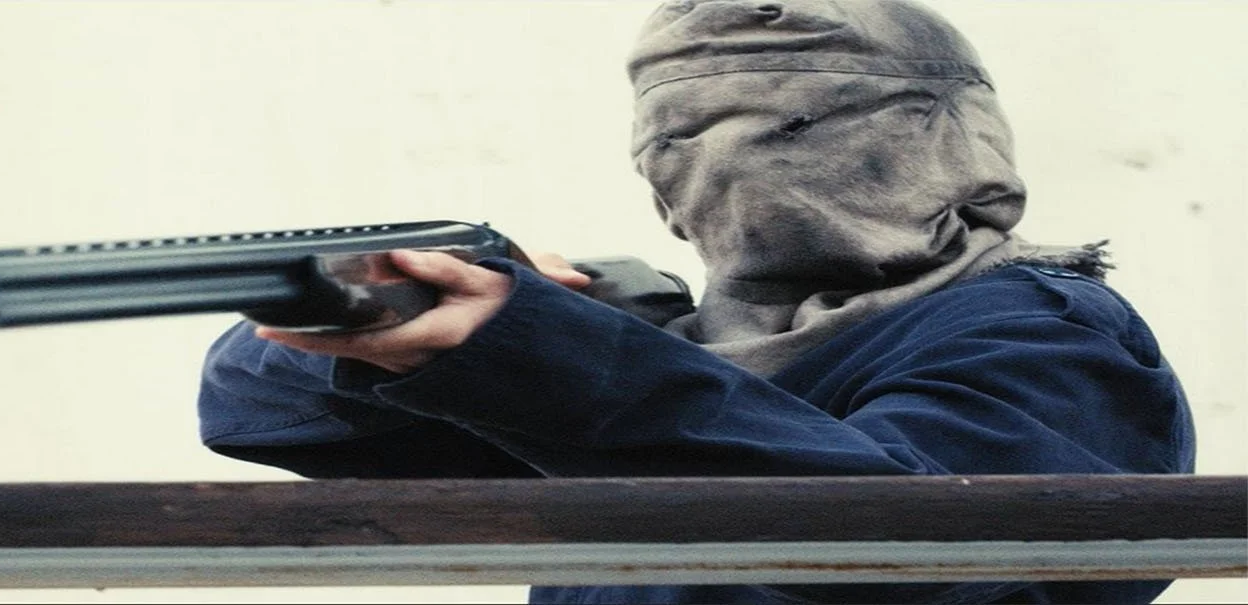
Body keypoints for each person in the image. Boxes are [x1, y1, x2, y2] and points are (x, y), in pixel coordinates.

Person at [197, 1, 1195, 603]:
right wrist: (388, 311)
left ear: (954, 136)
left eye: (797, 124)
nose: (727, 160)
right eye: (680, 136)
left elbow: (908, 552)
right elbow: (254, 411)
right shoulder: (650, 349)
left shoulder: (1034, 329)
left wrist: (538, 347)